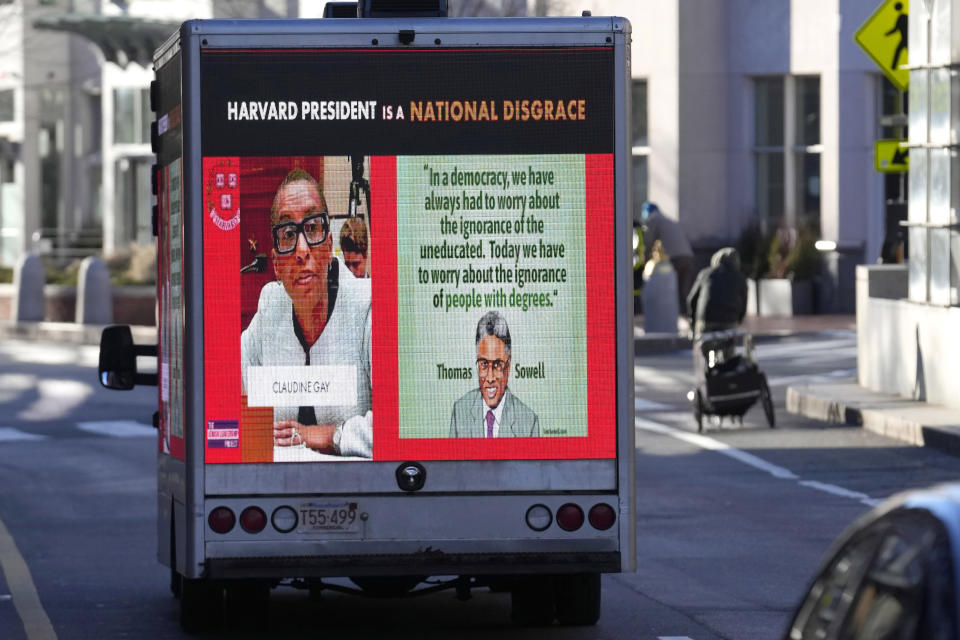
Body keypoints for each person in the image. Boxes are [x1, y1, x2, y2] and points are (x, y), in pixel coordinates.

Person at [241, 168, 372, 458]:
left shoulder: (367, 307)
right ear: (276, 263)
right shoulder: (270, 307)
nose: (302, 250)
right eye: (288, 234)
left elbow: (398, 426)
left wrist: (332, 435)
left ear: (328, 245)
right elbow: (225, 399)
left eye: (312, 229)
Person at [449, 310, 539, 438]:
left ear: (508, 366)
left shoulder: (529, 422)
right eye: (484, 364)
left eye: (497, 365)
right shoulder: (459, 412)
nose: (490, 378)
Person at [640, 202, 695, 311]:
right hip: (688, 257)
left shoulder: (653, 220)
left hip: (674, 259)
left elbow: (648, 242)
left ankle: (673, 316)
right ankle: (686, 315)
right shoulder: (668, 220)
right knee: (683, 291)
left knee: (670, 291)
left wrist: (644, 261)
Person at [686, 247, 748, 337]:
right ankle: (728, 350)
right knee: (729, 344)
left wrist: (692, 321)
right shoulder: (740, 277)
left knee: (705, 344)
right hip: (730, 321)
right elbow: (744, 302)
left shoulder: (705, 273)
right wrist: (739, 319)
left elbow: (691, 299)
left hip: (706, 320)